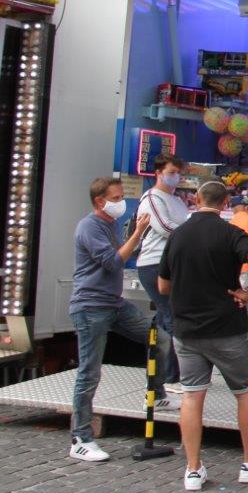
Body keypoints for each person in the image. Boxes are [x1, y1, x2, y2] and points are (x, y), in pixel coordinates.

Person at [157, 180, 248, 491]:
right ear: (226, 202)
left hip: (186, 329)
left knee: (191, 395)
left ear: (197, 198)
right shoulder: (230, 234)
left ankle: (192, 469)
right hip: (225, 327)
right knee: (246, 391)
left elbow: (163, 286)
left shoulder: (177, 237)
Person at [68, 177, 176, 462]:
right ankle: (80, 437)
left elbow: (126, 254)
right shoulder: (89, 227)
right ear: (99, 201)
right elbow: (114, 261)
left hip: (114, 304)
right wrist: (138, 232)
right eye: (115, 198)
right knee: (89, 372)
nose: (121, 203)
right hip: (91, 307)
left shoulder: (111, 225)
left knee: (160, 338)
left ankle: (157, 392)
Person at [134, 153, 190, 388]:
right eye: (171, 173)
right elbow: (166, 227)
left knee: (170, 317)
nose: (175, 177)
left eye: (178, 173)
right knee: (171, 317)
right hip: (154, 264)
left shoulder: (177, 200)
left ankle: (168, 373)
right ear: (157, 173)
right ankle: (170, 378)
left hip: (174, 264)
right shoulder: (152, 199)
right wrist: (195, 232)